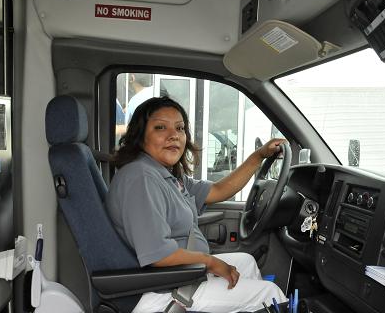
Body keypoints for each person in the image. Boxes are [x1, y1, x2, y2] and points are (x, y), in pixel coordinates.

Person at [106, 97, 287, 312]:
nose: (173, 135)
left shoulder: (164, 174)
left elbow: (219, 190)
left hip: (182, 275)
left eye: (180, 128)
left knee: (245, 262)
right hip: (165, 290)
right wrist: (210, 262)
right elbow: (159, 255)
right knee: (270, 294)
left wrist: (259, 156)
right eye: (160, 127)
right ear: (140, 135)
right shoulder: (141, 178)